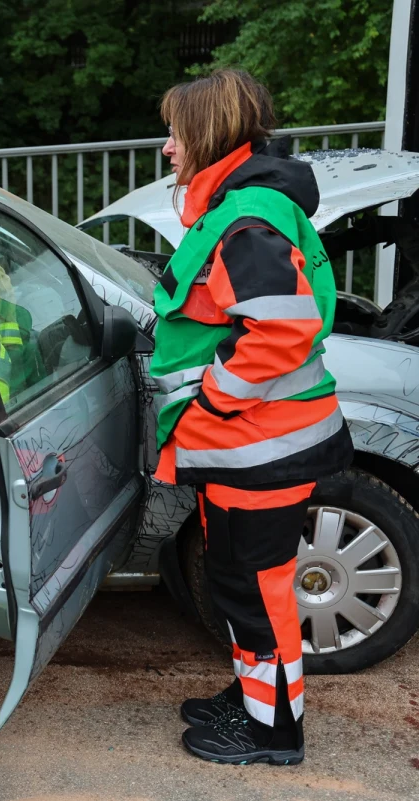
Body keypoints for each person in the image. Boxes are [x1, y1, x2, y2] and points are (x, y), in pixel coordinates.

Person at [151, 69, 354, 765]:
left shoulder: (245, 219)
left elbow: (281, 330)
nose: (169, 148)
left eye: (176, 133)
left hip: (255, 445)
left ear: (206, 134)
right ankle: (254, 699)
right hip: (252, 445)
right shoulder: (248, 206)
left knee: (255, 593)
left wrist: (211, 401)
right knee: (246, 587)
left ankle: (273, 733)